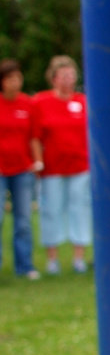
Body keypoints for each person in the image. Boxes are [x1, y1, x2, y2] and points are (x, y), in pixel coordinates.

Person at [30, 56, 93, 275]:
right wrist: (38, 161)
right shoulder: (41, 102)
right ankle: (52, 259)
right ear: (53, 78)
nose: (68, 80)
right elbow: (35, 136)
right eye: (64, 75)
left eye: (72, 75)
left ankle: (79, 257)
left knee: (81, 209)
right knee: (51, 211)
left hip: (80, 166)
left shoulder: (83, 101)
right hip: (52, 169)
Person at [0, 60, 42, 279]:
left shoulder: (28, 104)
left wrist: (38, 161)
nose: (15, 83)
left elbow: (34, 136)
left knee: (23, 220)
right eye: (10, 79)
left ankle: (25, 266)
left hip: (23, 170)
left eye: (18, 78)